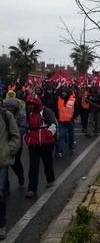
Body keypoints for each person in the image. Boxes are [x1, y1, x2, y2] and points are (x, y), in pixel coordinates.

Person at [24, 94, 57, 198]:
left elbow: (53, 125)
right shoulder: (28, 113)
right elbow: (25, 126)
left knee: (47, 162)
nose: (29, 106)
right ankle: (32, 188)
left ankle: (50, 179)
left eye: (31, 104)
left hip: (46, 143)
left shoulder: (47, 112)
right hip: (33, 144)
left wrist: (47, 135)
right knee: (33, 166)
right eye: (28, 104)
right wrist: (27, 136)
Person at [0, 106, 20, 239]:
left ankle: (1, 224)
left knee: (0, 193)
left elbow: (15, 136)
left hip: (1, 161)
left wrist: (7, 150)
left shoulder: (6, 115)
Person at [3, 99, 27, 189]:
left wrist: (14, 132)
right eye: (7, 107)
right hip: (4, 143)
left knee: (15, 163)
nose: (9, 109)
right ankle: (6, 186)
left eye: (11, 107)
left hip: (16, 143)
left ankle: (20, 176)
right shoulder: (3, 116)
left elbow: (24, 127)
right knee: (4, 165)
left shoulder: (20, 116)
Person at [56, 87, 78, 158]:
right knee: (61, 136)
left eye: (65, 92)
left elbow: (77, 109)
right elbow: (56, 108)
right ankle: (61, 151)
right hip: (61, 121)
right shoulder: (58, 99)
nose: (63, 94)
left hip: (70, 121)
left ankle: (71, 148)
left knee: (71, 136)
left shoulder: (73, 99)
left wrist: (73, 117)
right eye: (62, 92)